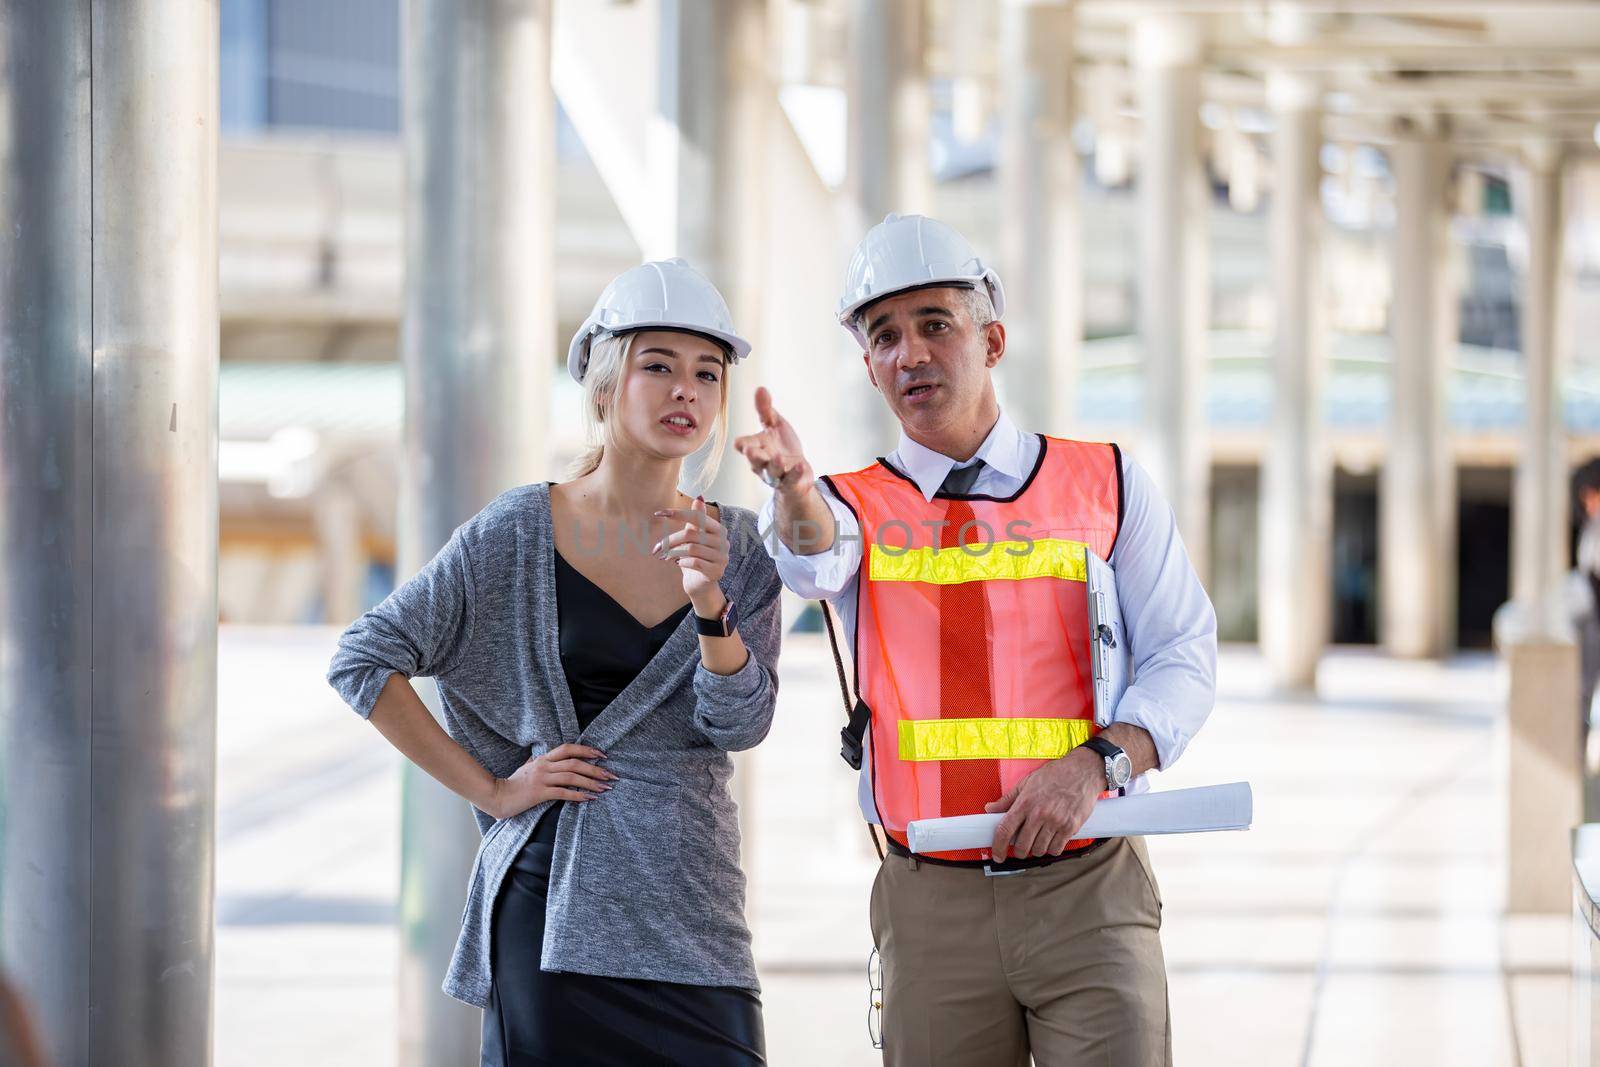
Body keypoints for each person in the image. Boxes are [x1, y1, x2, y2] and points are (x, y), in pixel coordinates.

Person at [734, 214, 1217, 1066]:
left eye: (935, 324)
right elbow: (811, 559)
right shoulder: (848, 504)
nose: (911, 352)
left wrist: (1098, 763)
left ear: (991, 340)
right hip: (932, 901)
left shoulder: (1104, 481)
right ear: (870, 367)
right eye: (884, 335)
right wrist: (795, 490)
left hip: (1089, 882)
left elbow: (1184, 651)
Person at [326, 258, 782, 1066]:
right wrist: (496, 790)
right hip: (551, 910)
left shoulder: (739, 545)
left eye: (707, 373)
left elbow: (741, 724)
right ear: (604, 386)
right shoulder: (517, 531)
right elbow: (365, 659)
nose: (687, 390)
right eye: (659, 366)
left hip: (693, 909)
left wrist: (711, 601)